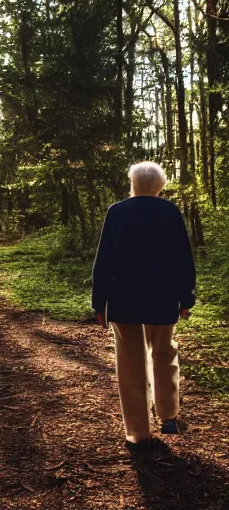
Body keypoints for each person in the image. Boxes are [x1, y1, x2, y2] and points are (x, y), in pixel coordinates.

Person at [92, 161, 196, 452]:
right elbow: (183, 259)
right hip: (163, 296)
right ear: (160, 186)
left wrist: (98, 302)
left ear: (133, 184)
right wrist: (186, 298)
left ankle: (137, 432)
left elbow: (104, 262)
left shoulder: (117, 212)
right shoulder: (170, 212)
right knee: (164, 352)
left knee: (129, 362)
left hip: (123, 298)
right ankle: (169, 416)